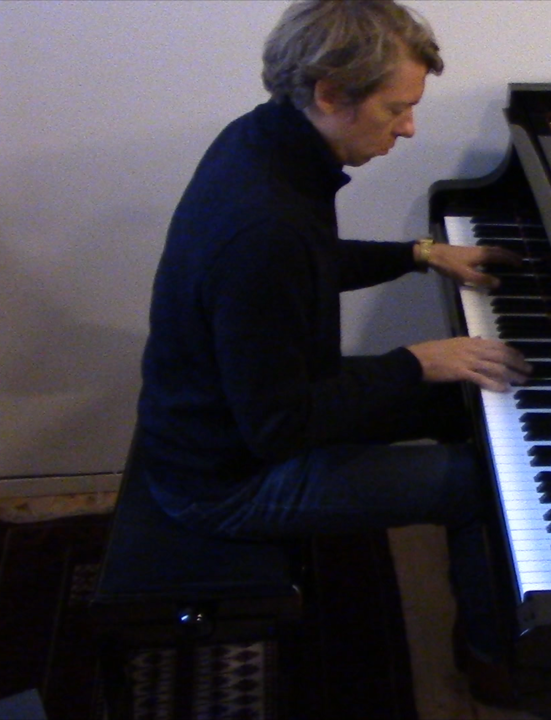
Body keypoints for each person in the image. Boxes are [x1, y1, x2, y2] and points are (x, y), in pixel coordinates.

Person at [135, 0, 528, 703]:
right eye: (396, 109)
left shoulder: (261, 144)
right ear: (329, 93)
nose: (408, 128)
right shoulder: (265, 224)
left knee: (467, 400)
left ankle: (488, 601)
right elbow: (280, 428)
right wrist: (416, 362)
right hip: (226, 479)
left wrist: (421, 254)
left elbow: (306, 264)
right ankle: (493, 664)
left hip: (254, 408)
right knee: (485, 488)